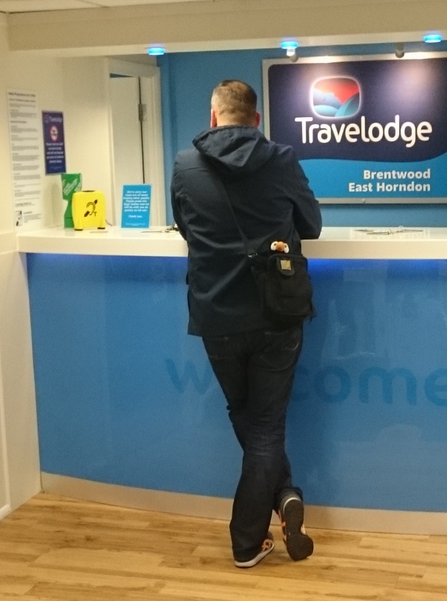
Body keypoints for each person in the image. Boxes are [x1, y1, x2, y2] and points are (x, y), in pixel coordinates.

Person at [170, 80, 322, 568]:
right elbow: (312, 225)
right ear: (256, 119)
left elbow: (187, 228)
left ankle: (277, 504)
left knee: (245, 413)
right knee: (265, 426)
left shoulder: (185, 165)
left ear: (213, 117)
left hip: (215, 314)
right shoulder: (281, 159)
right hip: (277, 313)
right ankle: (255, 528)